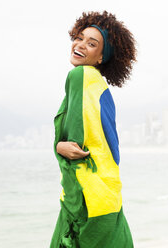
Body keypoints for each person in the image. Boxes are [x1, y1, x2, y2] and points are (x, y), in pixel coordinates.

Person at [50, 11, 136, 248]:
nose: (80, 45)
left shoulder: (80, 76)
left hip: (86, 202)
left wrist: (59, 146)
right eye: (79, 38)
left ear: (101, 57)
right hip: (108, 196)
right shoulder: (101, 87)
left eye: (92, 43)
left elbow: (74, 147)